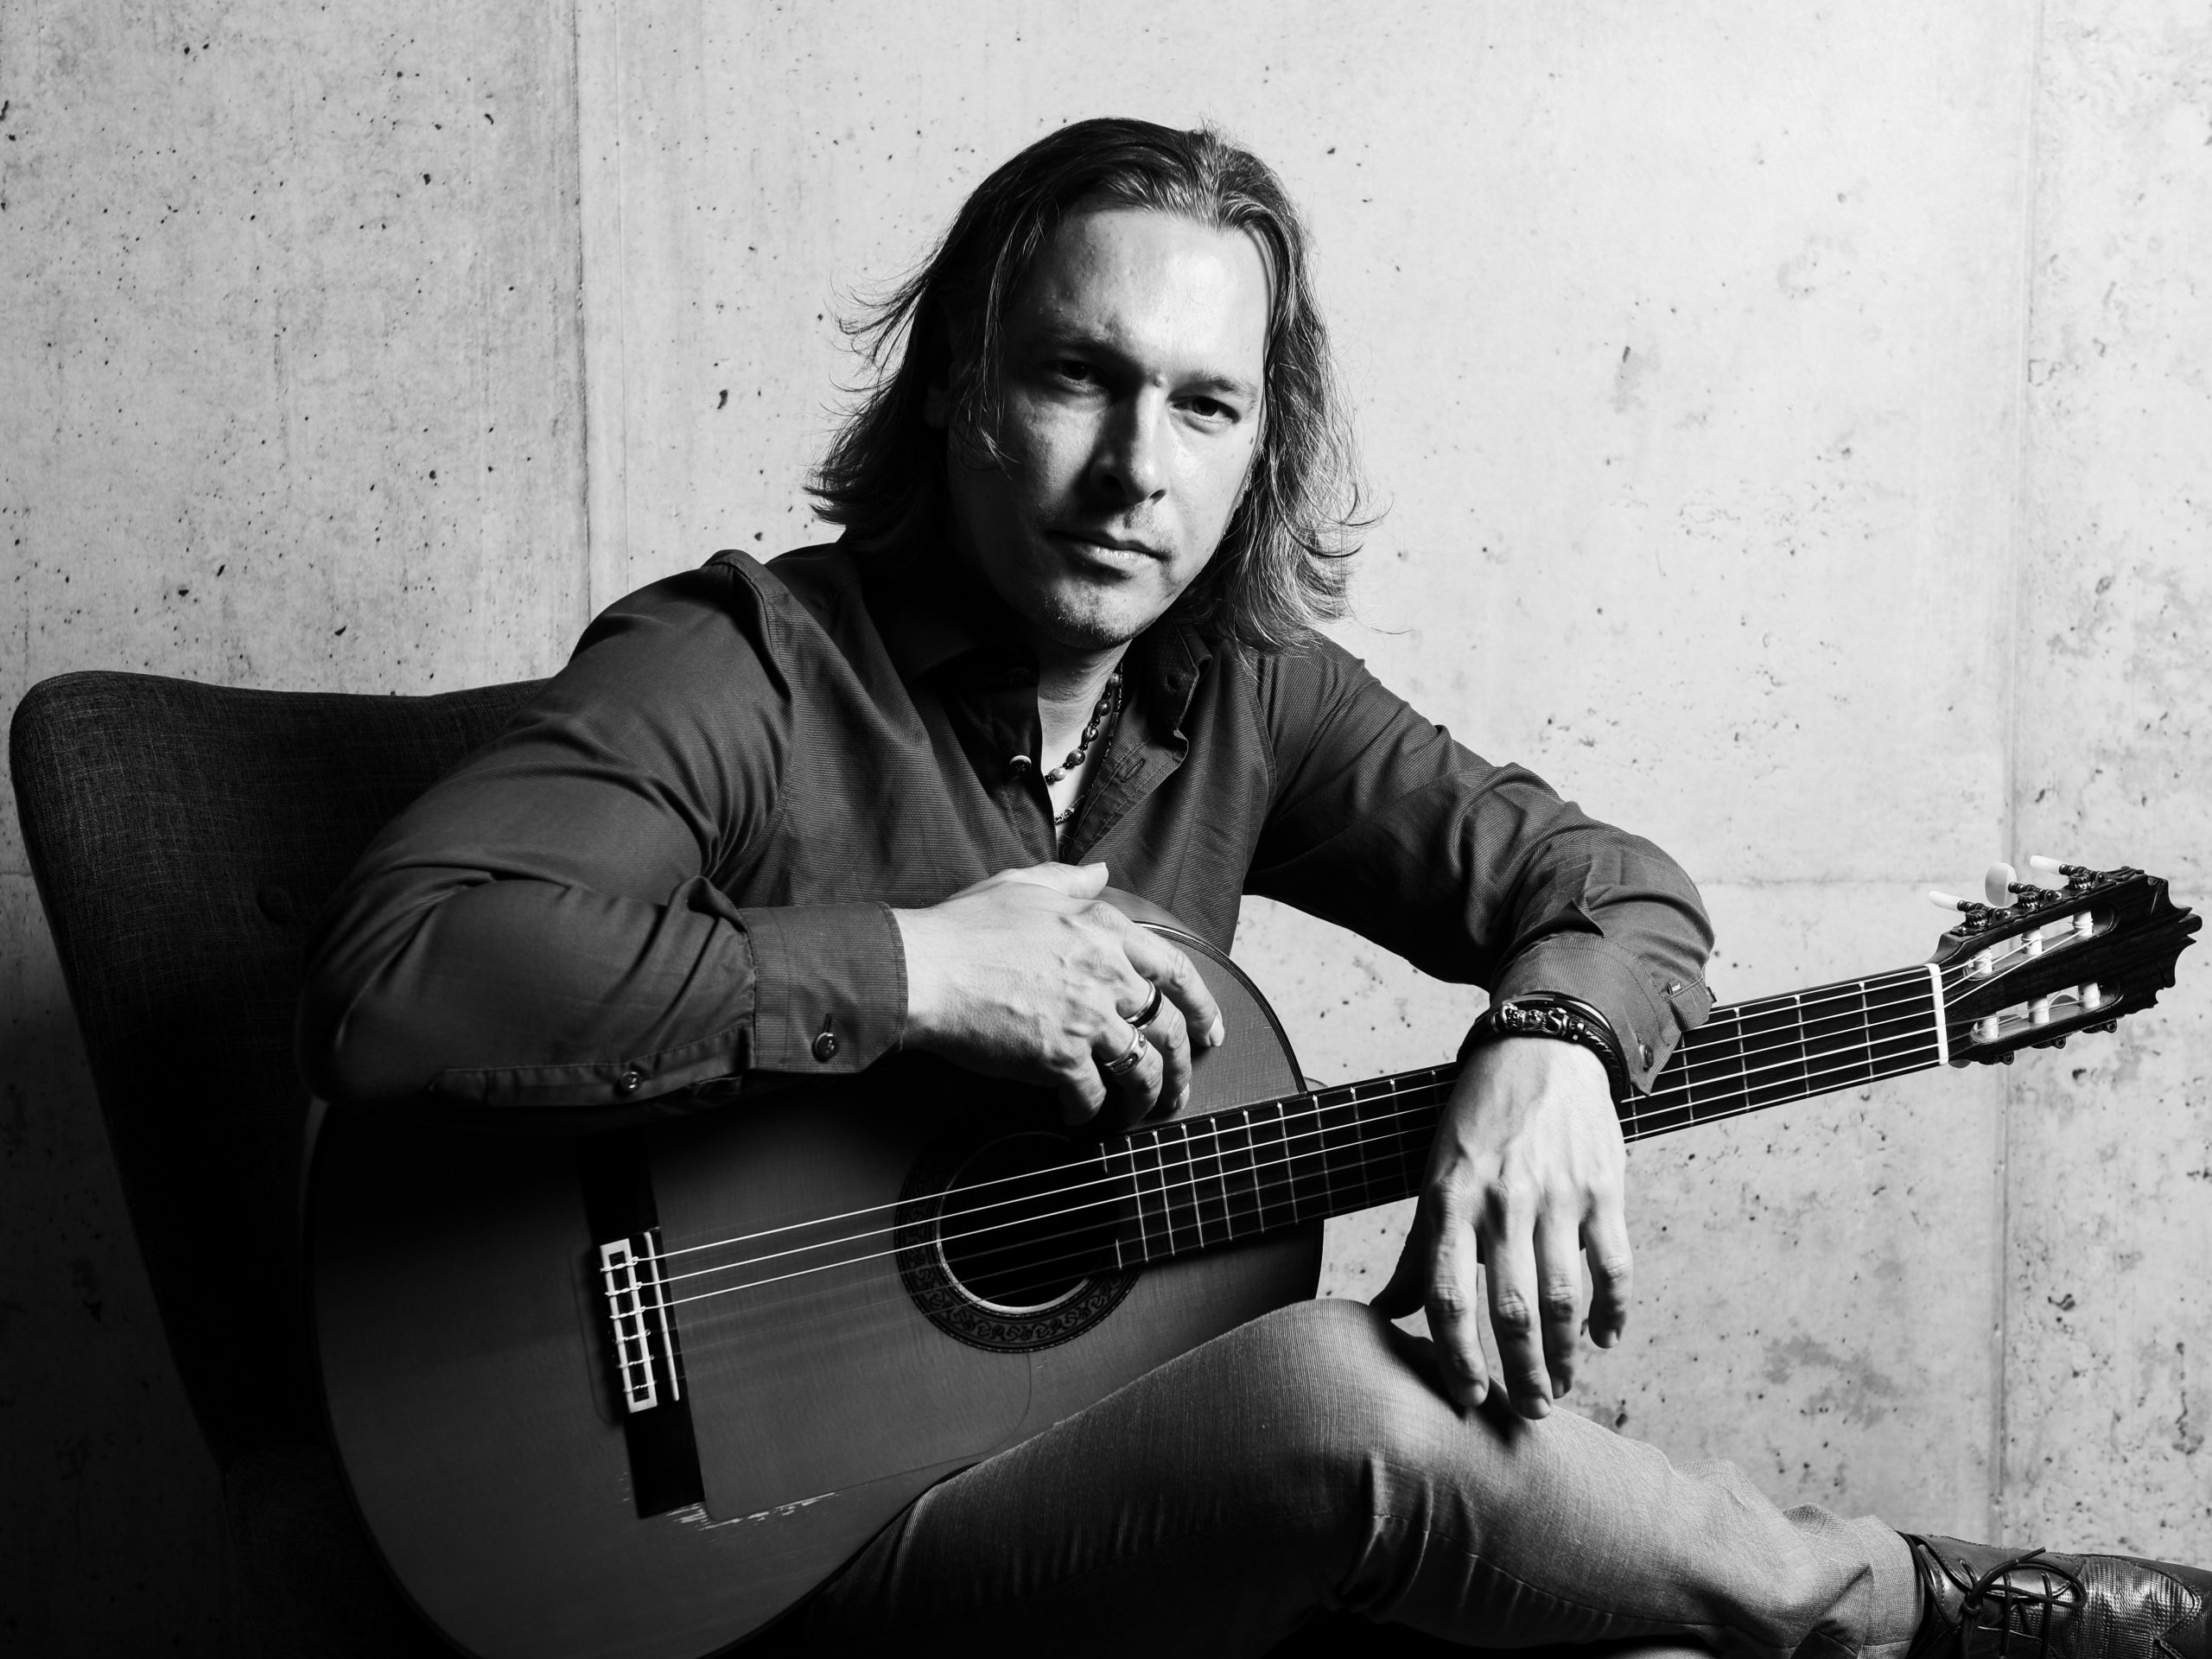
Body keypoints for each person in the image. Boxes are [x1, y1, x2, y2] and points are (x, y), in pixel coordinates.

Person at [298, 118, 2209, 1658]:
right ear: (959, 383)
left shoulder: (1248, 699)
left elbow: (1610, 889)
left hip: (1080, 1515)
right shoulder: (744, 669)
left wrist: (1554, 1042)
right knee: (1332, 1398)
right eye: (1078, 376)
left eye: (1204, 407)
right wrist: (916, 971)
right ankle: (1898, 1605)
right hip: (733, 1561)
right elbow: (398, 974)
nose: (1134, 469)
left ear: (1255, 450)